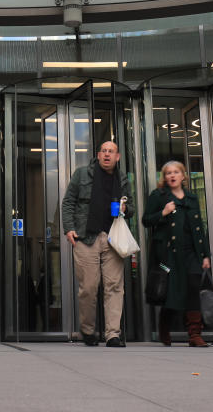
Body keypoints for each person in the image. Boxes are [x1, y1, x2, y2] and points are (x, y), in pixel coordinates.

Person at [62, 141, 134, 347]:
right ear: (98, 154)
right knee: (89, 287)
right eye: (104, 151)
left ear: (117, 157)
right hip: (86, 237)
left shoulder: (121, 178)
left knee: (114, 287)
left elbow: (132, 209)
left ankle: (113, 334)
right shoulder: (82, 173)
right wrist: (69, 228)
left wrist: (124, 208)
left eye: (111, 152)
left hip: (113, 237)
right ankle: (88, 330)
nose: (107, 155)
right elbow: (68, 201)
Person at [142, 160, 211, 347]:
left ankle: (195, 334)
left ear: (183, 176)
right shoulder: (158, 196)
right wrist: (163, 212)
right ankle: (164, 326)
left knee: (192, 290)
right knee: (171, 290)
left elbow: (199, 228)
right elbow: (146, 220)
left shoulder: (191, 198)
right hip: (167, 255)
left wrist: (205, 255)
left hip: (191, 254)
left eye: (175, 172)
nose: (171, 176)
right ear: (164, 177)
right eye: (168, 173)